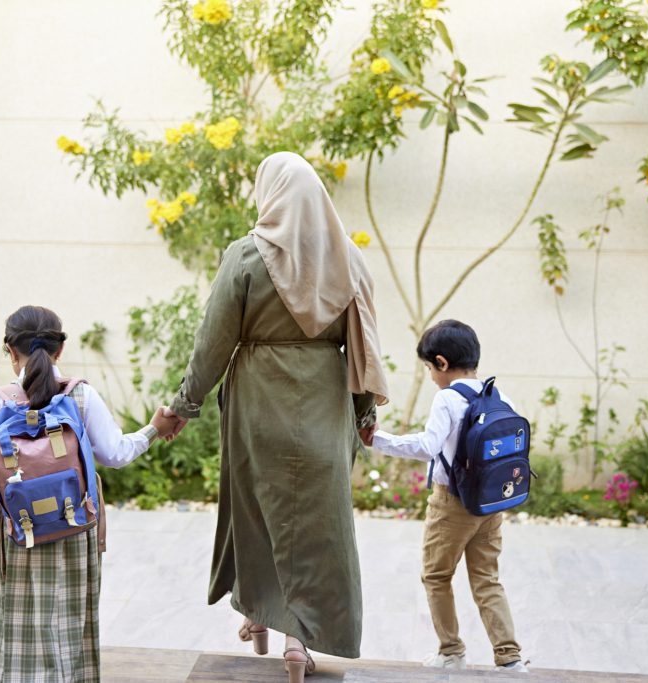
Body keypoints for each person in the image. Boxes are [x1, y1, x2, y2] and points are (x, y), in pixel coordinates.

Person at [163, 152, 389, 683]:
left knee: (258, 512)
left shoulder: (246, 256)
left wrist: (181, 405)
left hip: (257, 404)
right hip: (324, 403)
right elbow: (363, 348)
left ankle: (260, 615)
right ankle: (296, 639)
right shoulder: (349, 262)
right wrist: (363, 416)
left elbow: (212, 344)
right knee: (316, 526)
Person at [0, 305, 177, 683]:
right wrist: (153, 429)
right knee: (69, 627)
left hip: (21, 535)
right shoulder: (81, 396)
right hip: (74, 529)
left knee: (19, 626)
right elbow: (115, 454)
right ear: (60, 350)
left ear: (10, 352)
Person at [363, 319, 528, 673]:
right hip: (490, 503)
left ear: (441, 363)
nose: (431, 375)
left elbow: (427, 447)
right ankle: (510, 657)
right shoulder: (499, 395)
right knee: (486, 578)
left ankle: (451, 652)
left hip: (452, 503)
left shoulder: (447, 398)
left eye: (428, 367)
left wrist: (380, 439)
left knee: (436, 576)